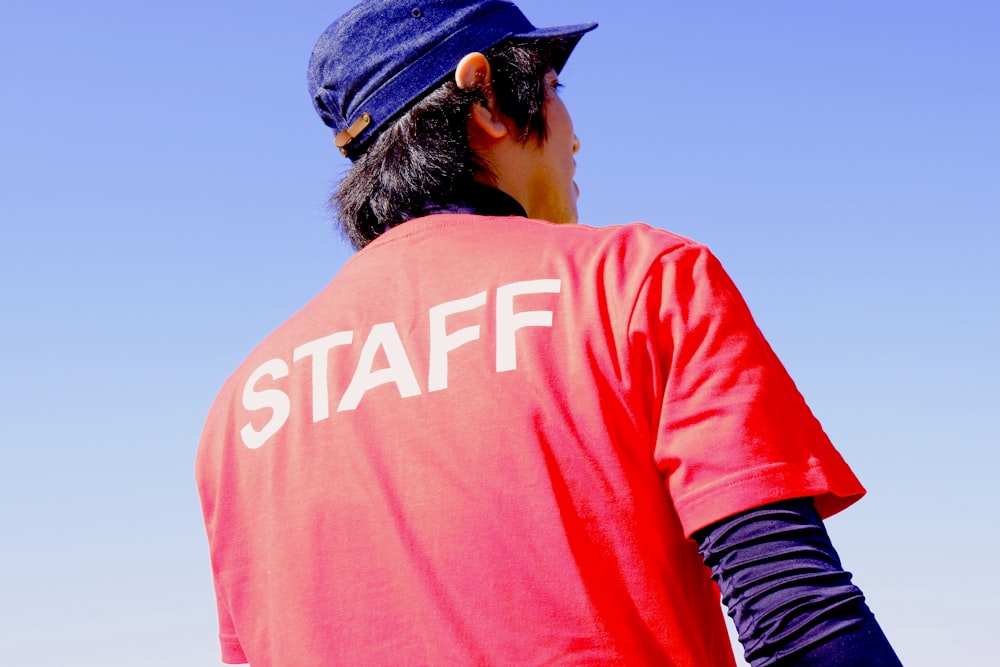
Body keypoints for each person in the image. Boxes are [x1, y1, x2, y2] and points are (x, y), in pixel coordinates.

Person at [196, 1, 903, 665]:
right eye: (555, 85)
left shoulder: (239, 410)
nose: (575, 133)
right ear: (489, 101)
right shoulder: (639, 280)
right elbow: (799, 614)